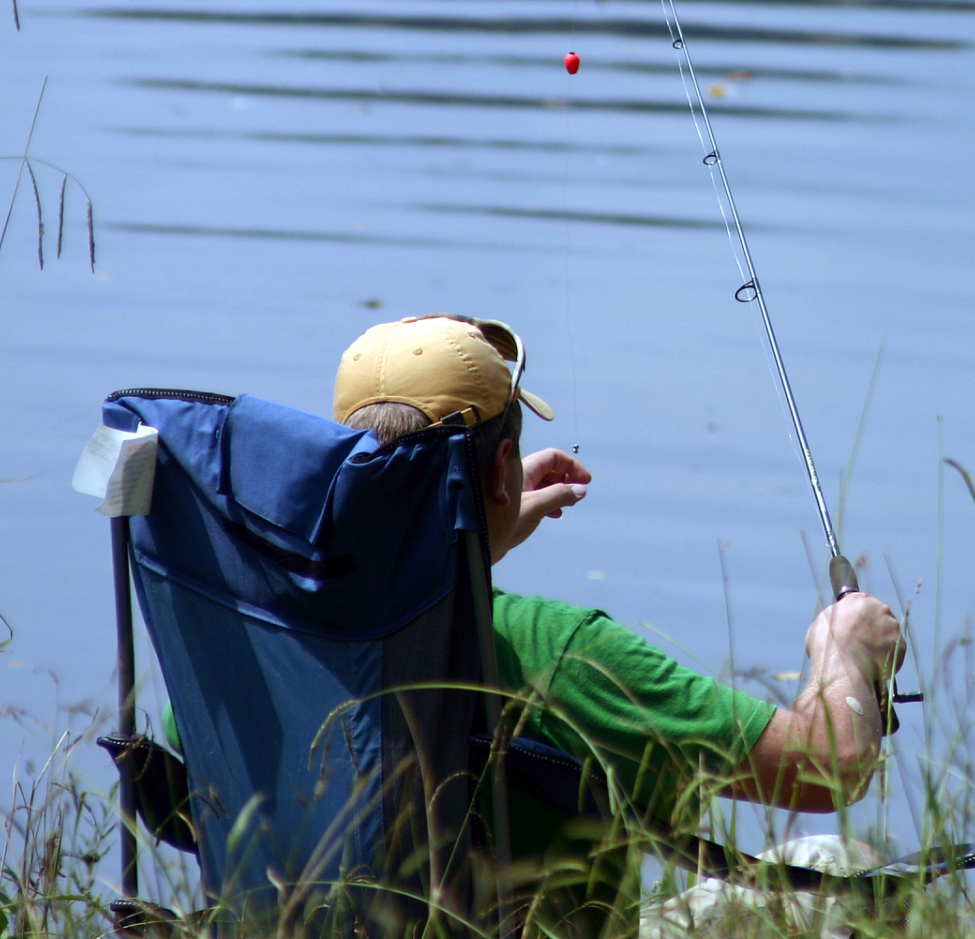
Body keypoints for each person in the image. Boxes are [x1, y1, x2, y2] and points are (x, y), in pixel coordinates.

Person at [332, 313, 906, 933]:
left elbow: (404, 583)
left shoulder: (278, 629)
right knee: (847, 868)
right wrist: (846, 649)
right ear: (503, 463)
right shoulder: (560, 652)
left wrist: (474, 537)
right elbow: (833, 768)